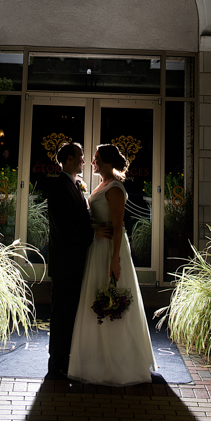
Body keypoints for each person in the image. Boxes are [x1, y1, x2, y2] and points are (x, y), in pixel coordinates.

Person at [67, 143, 156, 386]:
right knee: (96, 298)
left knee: (111, 296)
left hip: (110, 251)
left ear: (106, 161)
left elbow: (118, 226)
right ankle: (97, 358)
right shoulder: (101, 185)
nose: (92, 162)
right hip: (97, 248)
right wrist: (94, 230)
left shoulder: (115, 188)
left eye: (95, 158)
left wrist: (115, 259)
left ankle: (120, 362)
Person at [47, 141, 107, 378]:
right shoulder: (59, 186)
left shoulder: (74, 185)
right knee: (62, 314)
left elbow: (78, 220)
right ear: (70, 159)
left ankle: (66, 360)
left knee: (70, 313)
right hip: (65, 264)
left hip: (74, 262)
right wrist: (93, 233)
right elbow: (64, 227)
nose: (85, 161)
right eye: (81, 156)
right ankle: (57, 364)